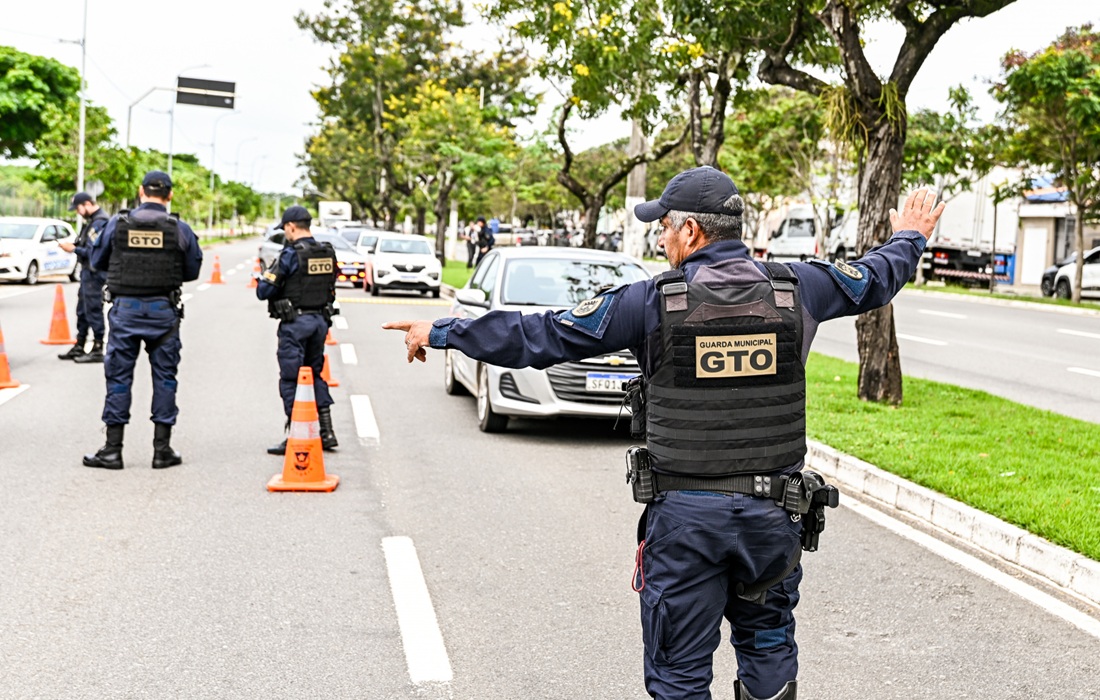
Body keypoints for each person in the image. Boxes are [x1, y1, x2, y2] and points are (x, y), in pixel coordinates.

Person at [383, 166, 945, 700]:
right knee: (768, 650)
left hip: (687, 526)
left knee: (679, 673)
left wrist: (445, 331)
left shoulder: (651, 301)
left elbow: (542, 335)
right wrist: (911, 237)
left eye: (664, 226)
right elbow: (876, 278)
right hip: (773, 520)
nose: (659, 239)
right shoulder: (800, 288)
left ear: (691, 230)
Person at [82, 171, 203, 470]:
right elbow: (191, 271)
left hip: (125, 311)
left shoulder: (117, 224)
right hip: (163, 312)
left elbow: (96, 261)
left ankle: (112, 451)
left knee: (119, 378)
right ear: (170, 195)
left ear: (141, 191)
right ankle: (162, 451)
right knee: (165, 378)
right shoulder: (179, 228)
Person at [256, 205, 340, 455]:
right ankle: (327, 431)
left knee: (291, 378)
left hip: (296, 324)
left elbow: (264, 291)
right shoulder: (327, 252)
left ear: (291, 227)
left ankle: (297, 433)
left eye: (285, 229)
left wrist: (265, 278)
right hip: (320, 322)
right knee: (315, 373)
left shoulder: (290, 254)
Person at [58, 192, 110, 363]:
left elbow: (94, 251)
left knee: (93, 309)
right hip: (88, 272)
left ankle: (97, 347)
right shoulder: (93, 222)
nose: (77, 212)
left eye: (78, 208)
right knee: (83, 309)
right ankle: (80, 344)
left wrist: (73, 249)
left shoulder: (100, 222)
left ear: (87, 204)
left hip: (95, 272)